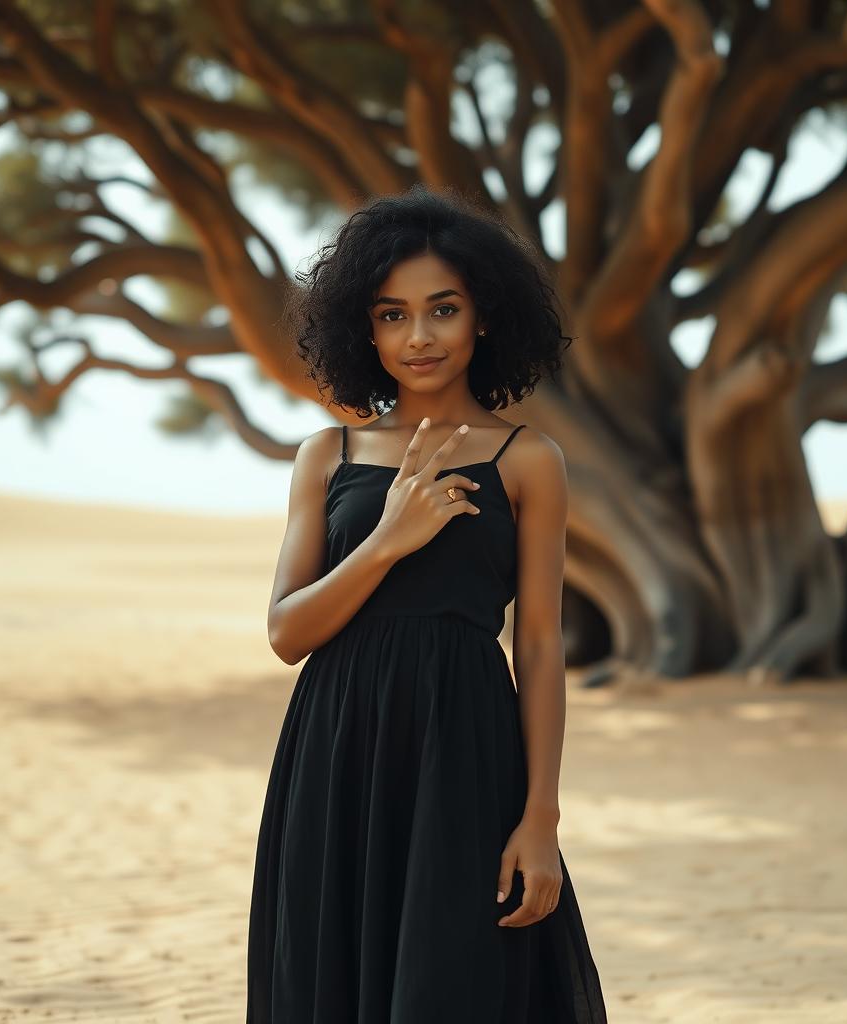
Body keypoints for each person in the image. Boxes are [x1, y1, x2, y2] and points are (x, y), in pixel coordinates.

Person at [246, 183, 608, 1023]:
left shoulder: (528, 459)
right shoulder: (326, 455)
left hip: (467, 752)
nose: (419, 337)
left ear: (482, 317)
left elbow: (543, 645)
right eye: (392, 314)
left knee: (455, 982)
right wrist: (386, 541)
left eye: (442, 309)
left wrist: (542, 818)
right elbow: (285, 632)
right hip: (335, 755)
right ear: (363, 329)